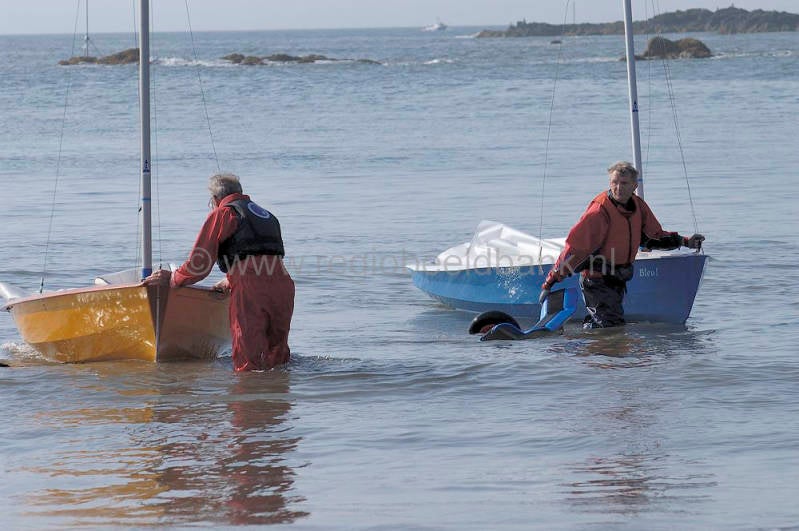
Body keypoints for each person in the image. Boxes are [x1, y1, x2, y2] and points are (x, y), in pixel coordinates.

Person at [146, 173, 295, 370]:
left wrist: (173, 278)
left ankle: (248, 398)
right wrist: (229, 280)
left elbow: (199, 264)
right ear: (240, 193)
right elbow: (265, 258)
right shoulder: (267, 216)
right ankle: (278, 396)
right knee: (278, 356)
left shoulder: (223, 213)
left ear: (215, 199)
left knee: (248, 359)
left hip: (251, 288)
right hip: (283, 285)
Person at [539, 161, 704, 329]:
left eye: (624, 183)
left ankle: (589, 344)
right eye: (614, 183)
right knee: (613, 327)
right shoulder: (599, 211)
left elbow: (654, 237)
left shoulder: (638, 206)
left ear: (634, 185)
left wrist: (685, 241)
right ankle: (600, 349)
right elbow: (574, 248)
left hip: (618, 279)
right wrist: (550, 282)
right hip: (596, 280)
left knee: (605, 328)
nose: (618, 187)